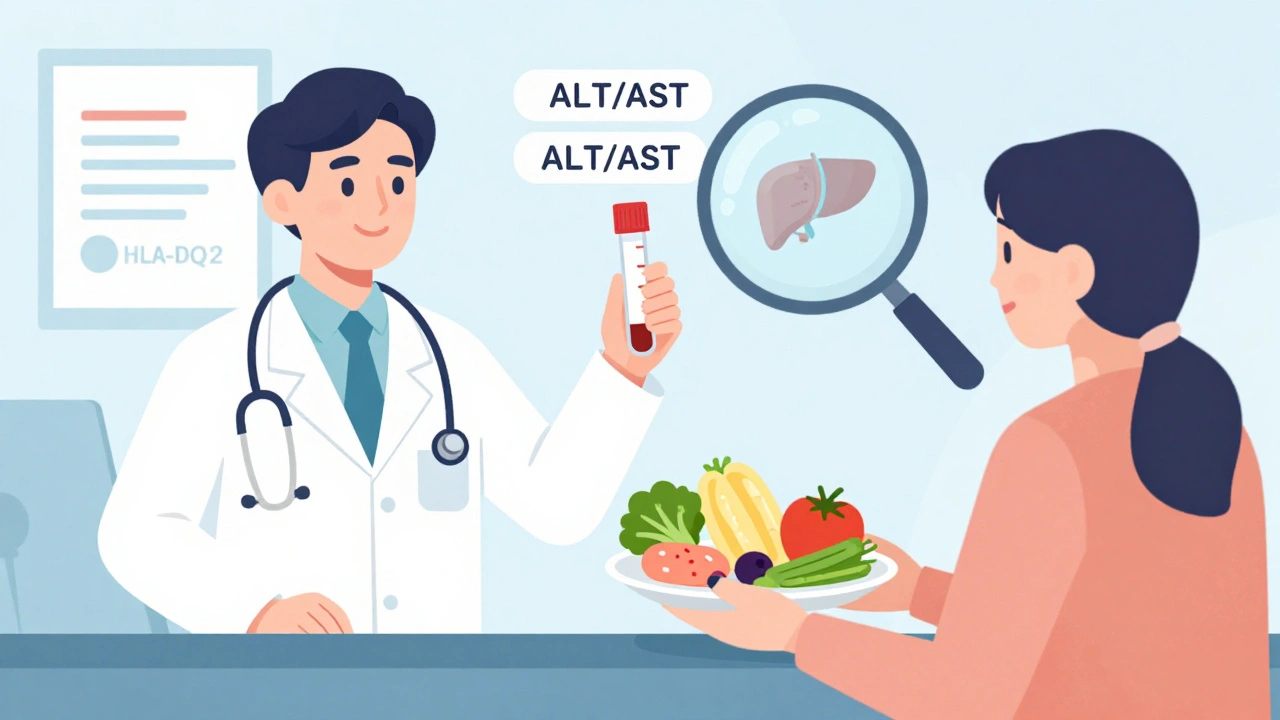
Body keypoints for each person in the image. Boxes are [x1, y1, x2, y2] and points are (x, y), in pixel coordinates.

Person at [668, 129, 1268, 718]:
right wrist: (920, 591)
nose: (994, 278)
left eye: (1008, 250)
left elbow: (961, 700)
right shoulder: (1217, 428)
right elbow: (1110, 632)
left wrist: (796, 635)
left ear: (1074, 273)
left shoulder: (1049, 446)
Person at [97, 68, 683, 634]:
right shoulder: (215, 359)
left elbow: (555, 509)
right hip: (281, 687)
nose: (380, 205)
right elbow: (136, 533)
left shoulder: (451, 354)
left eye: (399, 180)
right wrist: (252, 611)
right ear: (282, 201)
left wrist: (624, 366)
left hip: (431, 688)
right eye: (348, 181)